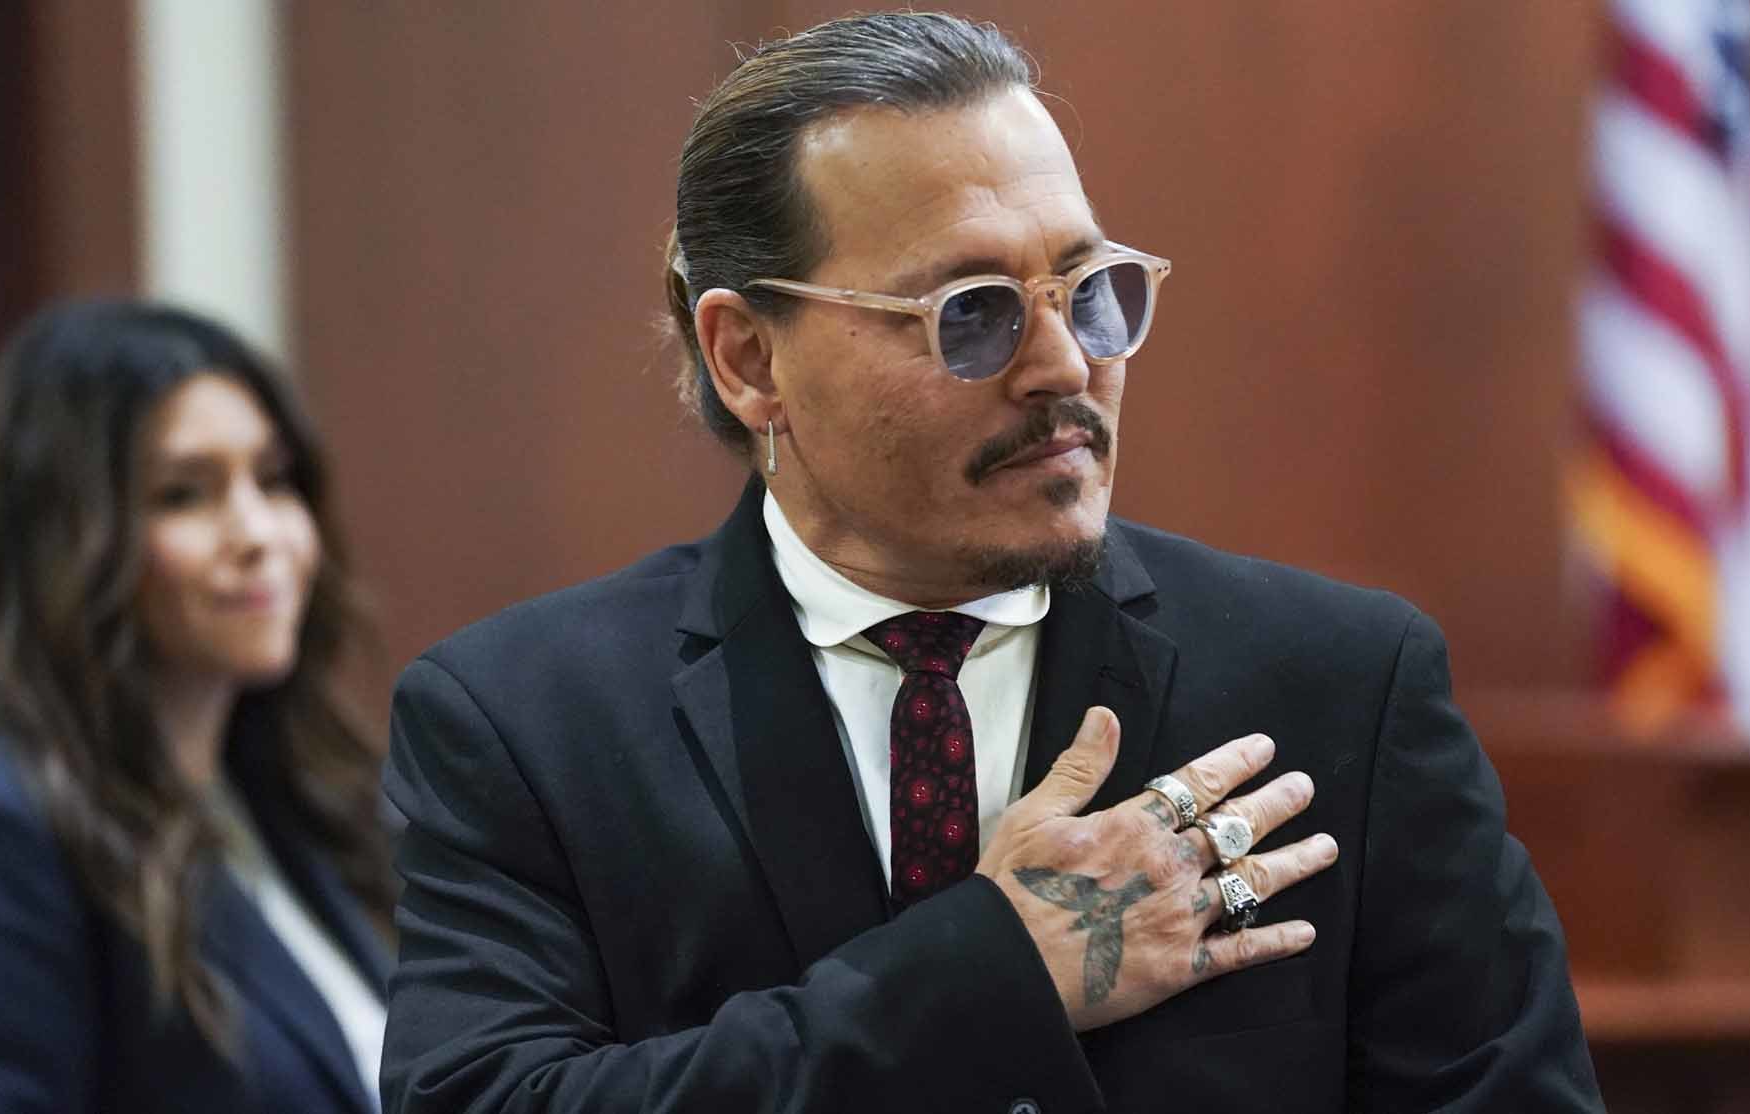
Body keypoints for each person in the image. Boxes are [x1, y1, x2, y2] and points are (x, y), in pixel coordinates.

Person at [380, 12, 1604, 1113]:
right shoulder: (527, 724)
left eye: (1092, 290)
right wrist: (994, 966)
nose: (1066, 364)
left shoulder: (1340, 685)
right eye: (972, 311)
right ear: (750, 358)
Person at [0, 300, 395, 1114]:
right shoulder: (0, 834)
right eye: (185, 494)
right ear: (68, 541)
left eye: (274, 480)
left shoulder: (309, 805)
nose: (258, 533)